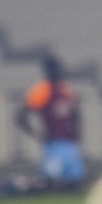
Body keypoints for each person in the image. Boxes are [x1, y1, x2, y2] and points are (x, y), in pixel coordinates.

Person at [15, 57, 85, 188]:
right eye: (54, 70)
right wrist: (38, 135)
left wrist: (77, 132)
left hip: (70, 143)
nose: (58, 73)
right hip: (54, 144)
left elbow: (75, 113)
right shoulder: (41, 90)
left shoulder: (66, 89)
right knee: (52, 183)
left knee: (74, 183)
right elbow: (21, 117)